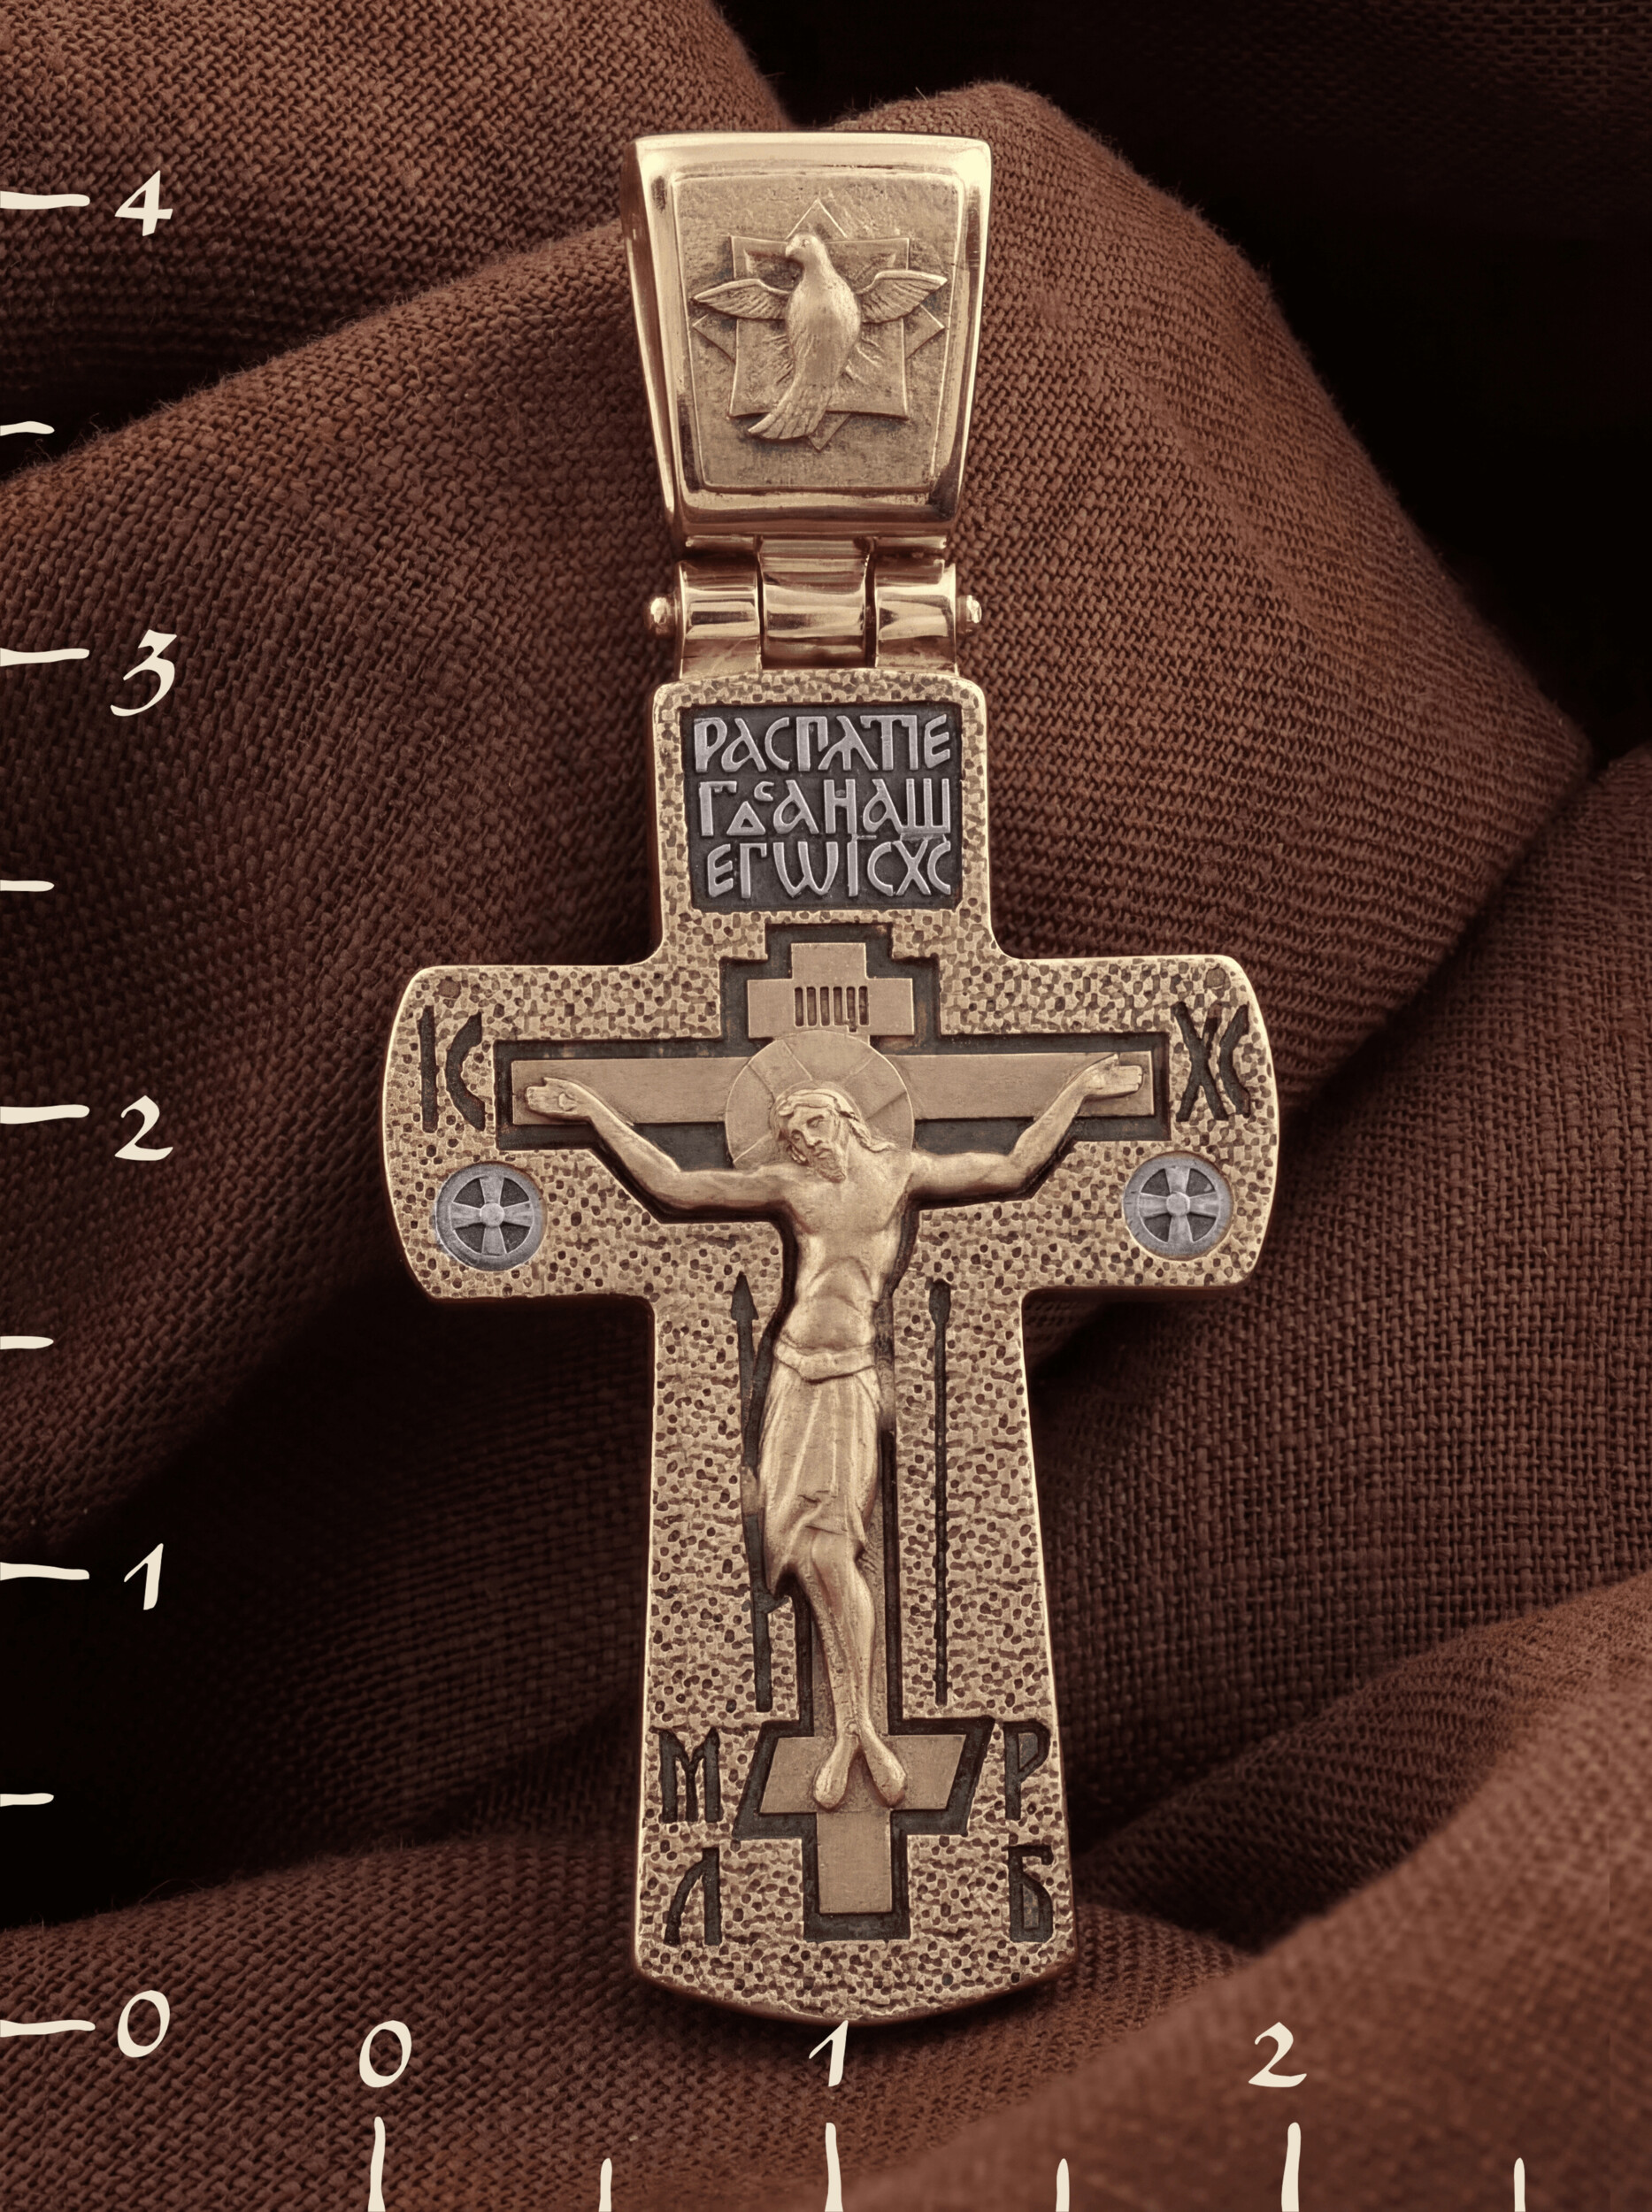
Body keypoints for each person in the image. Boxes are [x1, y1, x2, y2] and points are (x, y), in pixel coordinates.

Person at [526, 1054, 1140, 1810]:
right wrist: (595, 1114)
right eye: (792, 1135)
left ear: (847, 1117)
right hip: (791, 1374)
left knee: (833, 1550)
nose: (806, 1142)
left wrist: (1077, 1092)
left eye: (814, 1124)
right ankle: (854, 1728)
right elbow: (676, 1186)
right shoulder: (791, 1188)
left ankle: (858, 1726)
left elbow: (1012, 1167)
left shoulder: (901, 1173)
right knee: (800, 1550)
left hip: (848, 1379)